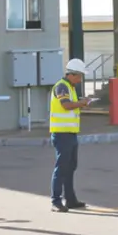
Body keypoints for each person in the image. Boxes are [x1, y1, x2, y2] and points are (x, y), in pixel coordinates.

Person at [50, 57, 91, 212]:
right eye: (79, 76)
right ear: (72, 74)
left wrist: (80, 102)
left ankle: (70, 200)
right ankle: (56, 201)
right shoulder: (62, 86)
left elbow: (70, 105)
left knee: (70, 167)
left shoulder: (70, 87)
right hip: (62, 134)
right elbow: (66, 105)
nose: (80, 80)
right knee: (61, 168)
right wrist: (81, 103)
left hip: (70, 133)